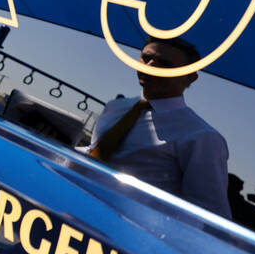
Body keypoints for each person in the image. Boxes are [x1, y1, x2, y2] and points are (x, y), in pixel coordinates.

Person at [87, 37, 231, 218]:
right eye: (146, 58)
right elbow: (98, 152)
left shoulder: (202, 137)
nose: (151, 65)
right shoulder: (116, 107)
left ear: (190, 77)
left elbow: (208, 217)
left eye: (165, 63)